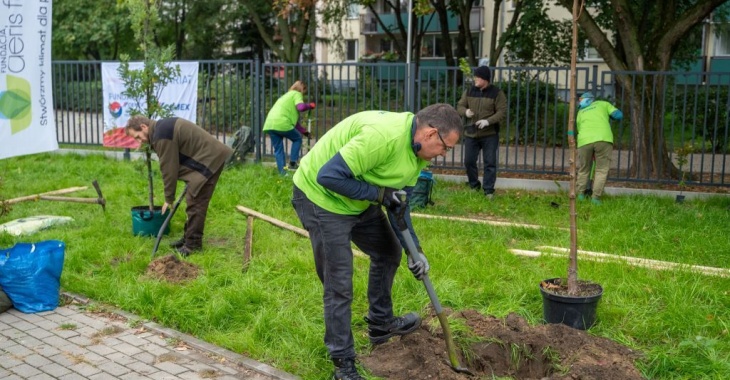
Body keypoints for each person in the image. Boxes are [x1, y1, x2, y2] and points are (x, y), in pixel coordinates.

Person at [291, 103, 462, 380]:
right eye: (446, 147)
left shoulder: (417, 155)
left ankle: (381, 324)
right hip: (319, 197)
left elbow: (399, 206)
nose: (443, 155)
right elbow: (328, 176)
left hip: (356, 198)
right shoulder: (382, 138)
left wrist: (415, 252)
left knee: (389, 251)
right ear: (430, 134)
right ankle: (343, 363)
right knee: (339, 282)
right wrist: (381, 195)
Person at [125, 116, 233, 256]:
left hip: (209, 159)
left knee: (196, 203)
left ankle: (193, 245)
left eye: (138, 137)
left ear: (144, 127)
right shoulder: (160, 129)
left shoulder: (161, 135)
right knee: (192, 200)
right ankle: (188, 238)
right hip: (205, 158)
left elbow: (169, 168)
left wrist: (168, 198)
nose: (140, 141)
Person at [457, 65, 507, 199]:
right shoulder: (469, 91)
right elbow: (460, 105)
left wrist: (488, 121)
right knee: (469, 161)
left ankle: (488, 190)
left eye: (477, 77)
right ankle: (474, 185)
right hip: (471, 133)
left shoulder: (497, 93)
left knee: (489, 162)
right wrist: (465, 112)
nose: (475, 79)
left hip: (489, 134)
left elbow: (502, 112)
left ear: (485, 79)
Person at [575, 92, 623, 205]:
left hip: (584, 141)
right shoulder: (603, 104)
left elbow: (579, 128)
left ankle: (580, 195)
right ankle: (595, 198)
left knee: (584, 168)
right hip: (603, 139)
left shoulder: (580, 112)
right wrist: (609, 116)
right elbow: (619, 115)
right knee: (601, 169)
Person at [263, 80, 316, 175]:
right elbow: (301, 107)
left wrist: (306, 133)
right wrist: (310, 106)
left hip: (270, 124)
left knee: (278, 150)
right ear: (301, 88)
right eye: (304, 91)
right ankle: (293, 163)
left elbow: (295, 124)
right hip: (282, 123)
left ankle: (283, 174)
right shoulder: (296, 94)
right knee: (297, 138)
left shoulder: (285, 97)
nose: (303, 94)